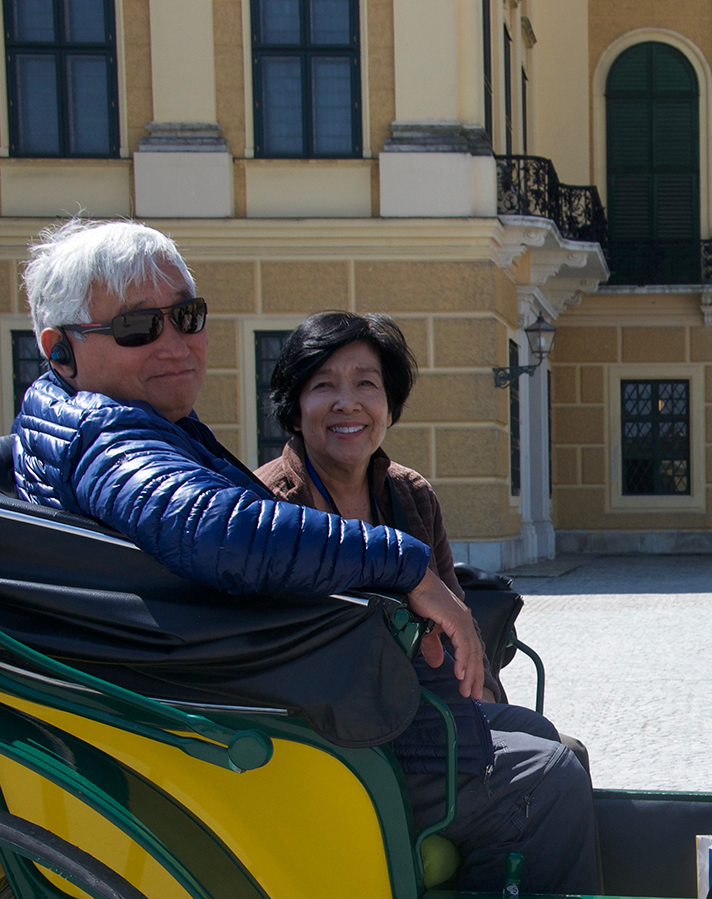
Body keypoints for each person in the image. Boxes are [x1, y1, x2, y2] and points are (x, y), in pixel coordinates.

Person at [10, 220, 597, 895]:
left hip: (250, 713)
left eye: (187, 317)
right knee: (547, 781)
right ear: (60, 350)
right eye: (139, 326)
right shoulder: (109, 438)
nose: (174, 344)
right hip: (255, 748)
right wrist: (403, 566)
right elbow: (219, 531)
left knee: (536, 737)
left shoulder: (119, 425)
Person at [252, 308, 591, 827]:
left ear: (388, 406)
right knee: (551, 771)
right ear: (295, 408)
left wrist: (483, 697)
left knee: (557, 743)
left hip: (424, 709)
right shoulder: (269, 505)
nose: (348, 403)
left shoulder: (409, 495)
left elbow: (459, 626)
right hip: (339, 736)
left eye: (367, 383)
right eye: (324, 385)